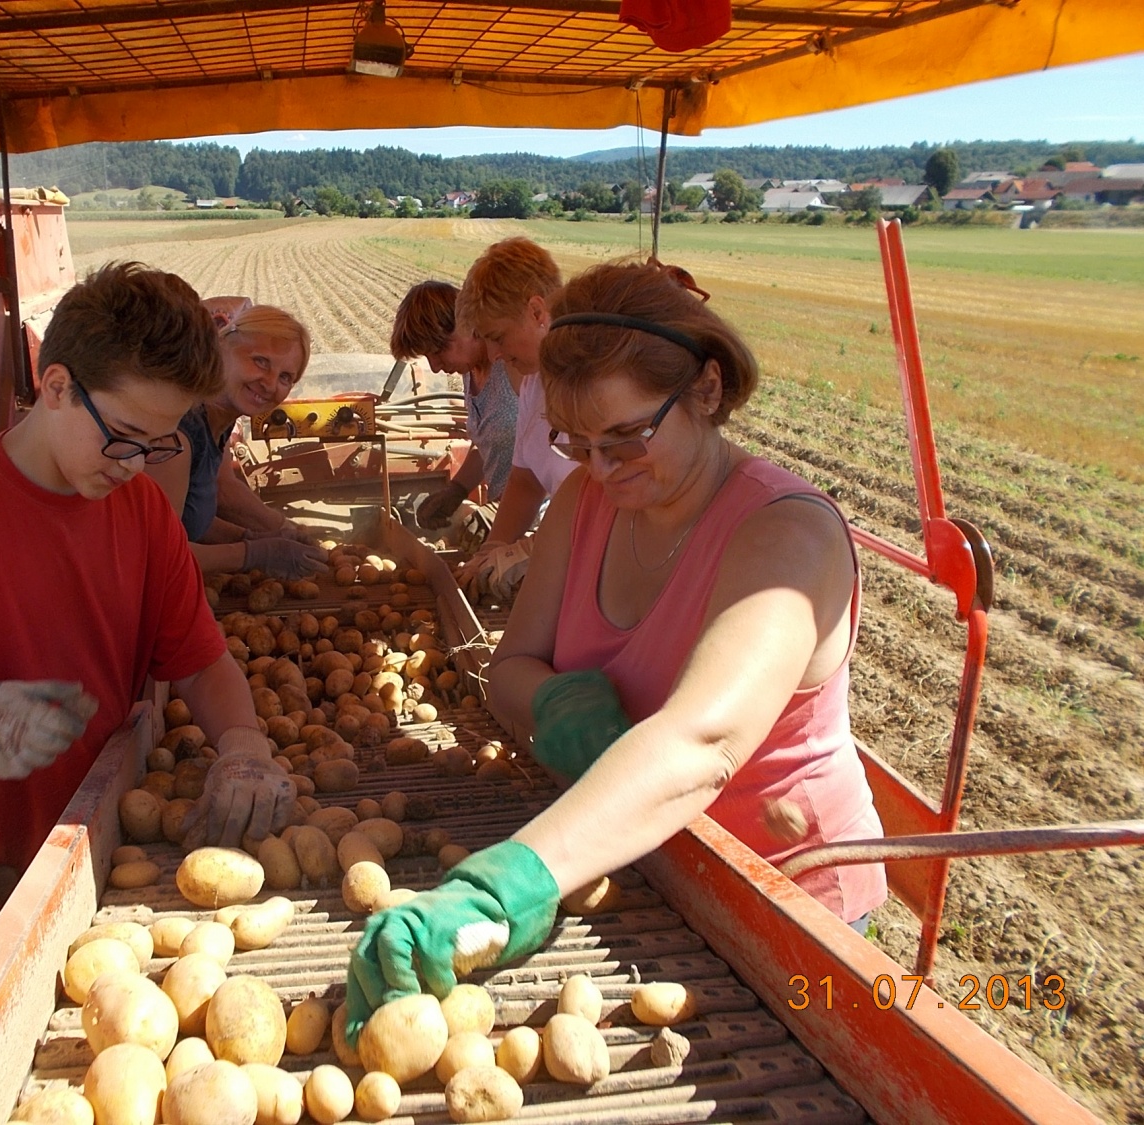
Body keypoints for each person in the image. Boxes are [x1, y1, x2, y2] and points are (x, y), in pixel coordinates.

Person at [344, 258, 886, 1045]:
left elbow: (705, 741)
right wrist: (557, 705)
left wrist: (507, 886)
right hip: (630, 850)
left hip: (783, 886)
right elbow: (512, 666)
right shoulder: (586, 499)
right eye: (579, 442)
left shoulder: (786, 533)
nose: (601, 469)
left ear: (705, 390)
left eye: (627, 436)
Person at [0, 262, 295, 937]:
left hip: (92, 855)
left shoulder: (143, 513)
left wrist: (243, 745)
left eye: (160, 442)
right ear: (57, 385)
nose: (136, 462)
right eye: (124, 434)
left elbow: (201, 659)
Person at [147, 301, 328, 578]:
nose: (269, 383)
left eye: (285, 377)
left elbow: (203, 507)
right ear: (221, 346)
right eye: (260, 361)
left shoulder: (219, 419)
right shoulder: (176, 435)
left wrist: (263, 533)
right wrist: (253, 553)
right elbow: (158, 556)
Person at [451, 237, 577, 599]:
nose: (494, 354)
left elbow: (613, 509)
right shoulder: (535, 384)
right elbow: (525, 480)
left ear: (537, 313)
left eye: (498, 337)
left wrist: (534, 549)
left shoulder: (597, 385)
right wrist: (495, 548)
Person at [388, 280, 518, 533]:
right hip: (507, 526)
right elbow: (493, 443)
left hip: (545, 525)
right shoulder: (471, 373)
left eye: (438, 351)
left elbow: (551, 454)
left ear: (466, 325)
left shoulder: (516, 368)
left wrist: (503, 508)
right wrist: (456, 489)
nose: (435, 367)